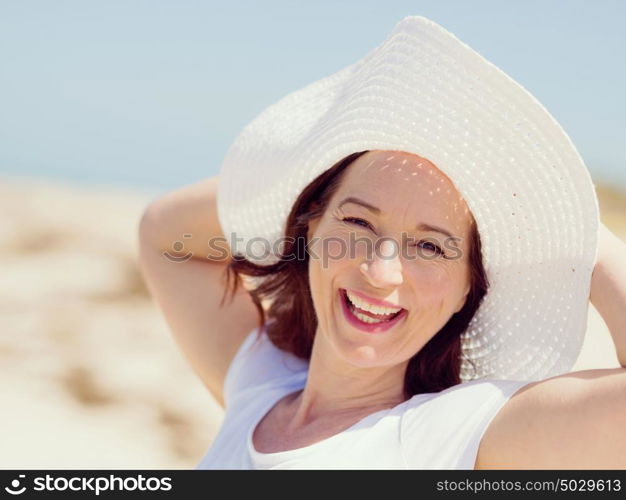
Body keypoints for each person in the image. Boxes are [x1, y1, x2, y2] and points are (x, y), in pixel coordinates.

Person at [137, 16, 626, 469]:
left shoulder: (456, 433)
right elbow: (164, 234)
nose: (380, 270)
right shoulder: (258, 387)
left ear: (465, 292)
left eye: (431, 248)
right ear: (311, 229)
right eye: (358, 224)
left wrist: (588, 242)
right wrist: (296, 172)